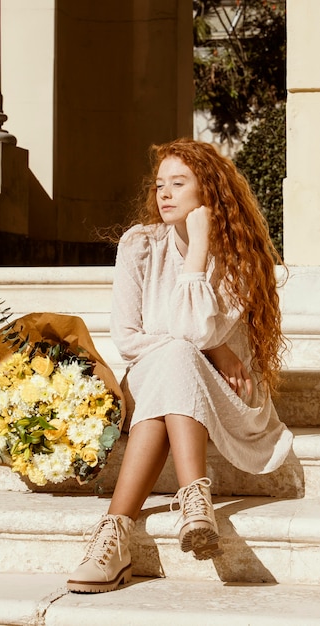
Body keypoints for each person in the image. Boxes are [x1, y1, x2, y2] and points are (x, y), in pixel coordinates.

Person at [67, 137, 293, 594]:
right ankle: (195, 500)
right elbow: (129, 339)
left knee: (177, 354)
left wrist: (200, 249)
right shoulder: (139, 244)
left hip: (225, 395)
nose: (163, 194)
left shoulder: (239, 257)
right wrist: (211, 348)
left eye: (178, 183)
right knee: (175, 356)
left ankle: (114, 534)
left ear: (207, 193)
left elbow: (197, 330)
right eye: (159, 185)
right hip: (154, 377)